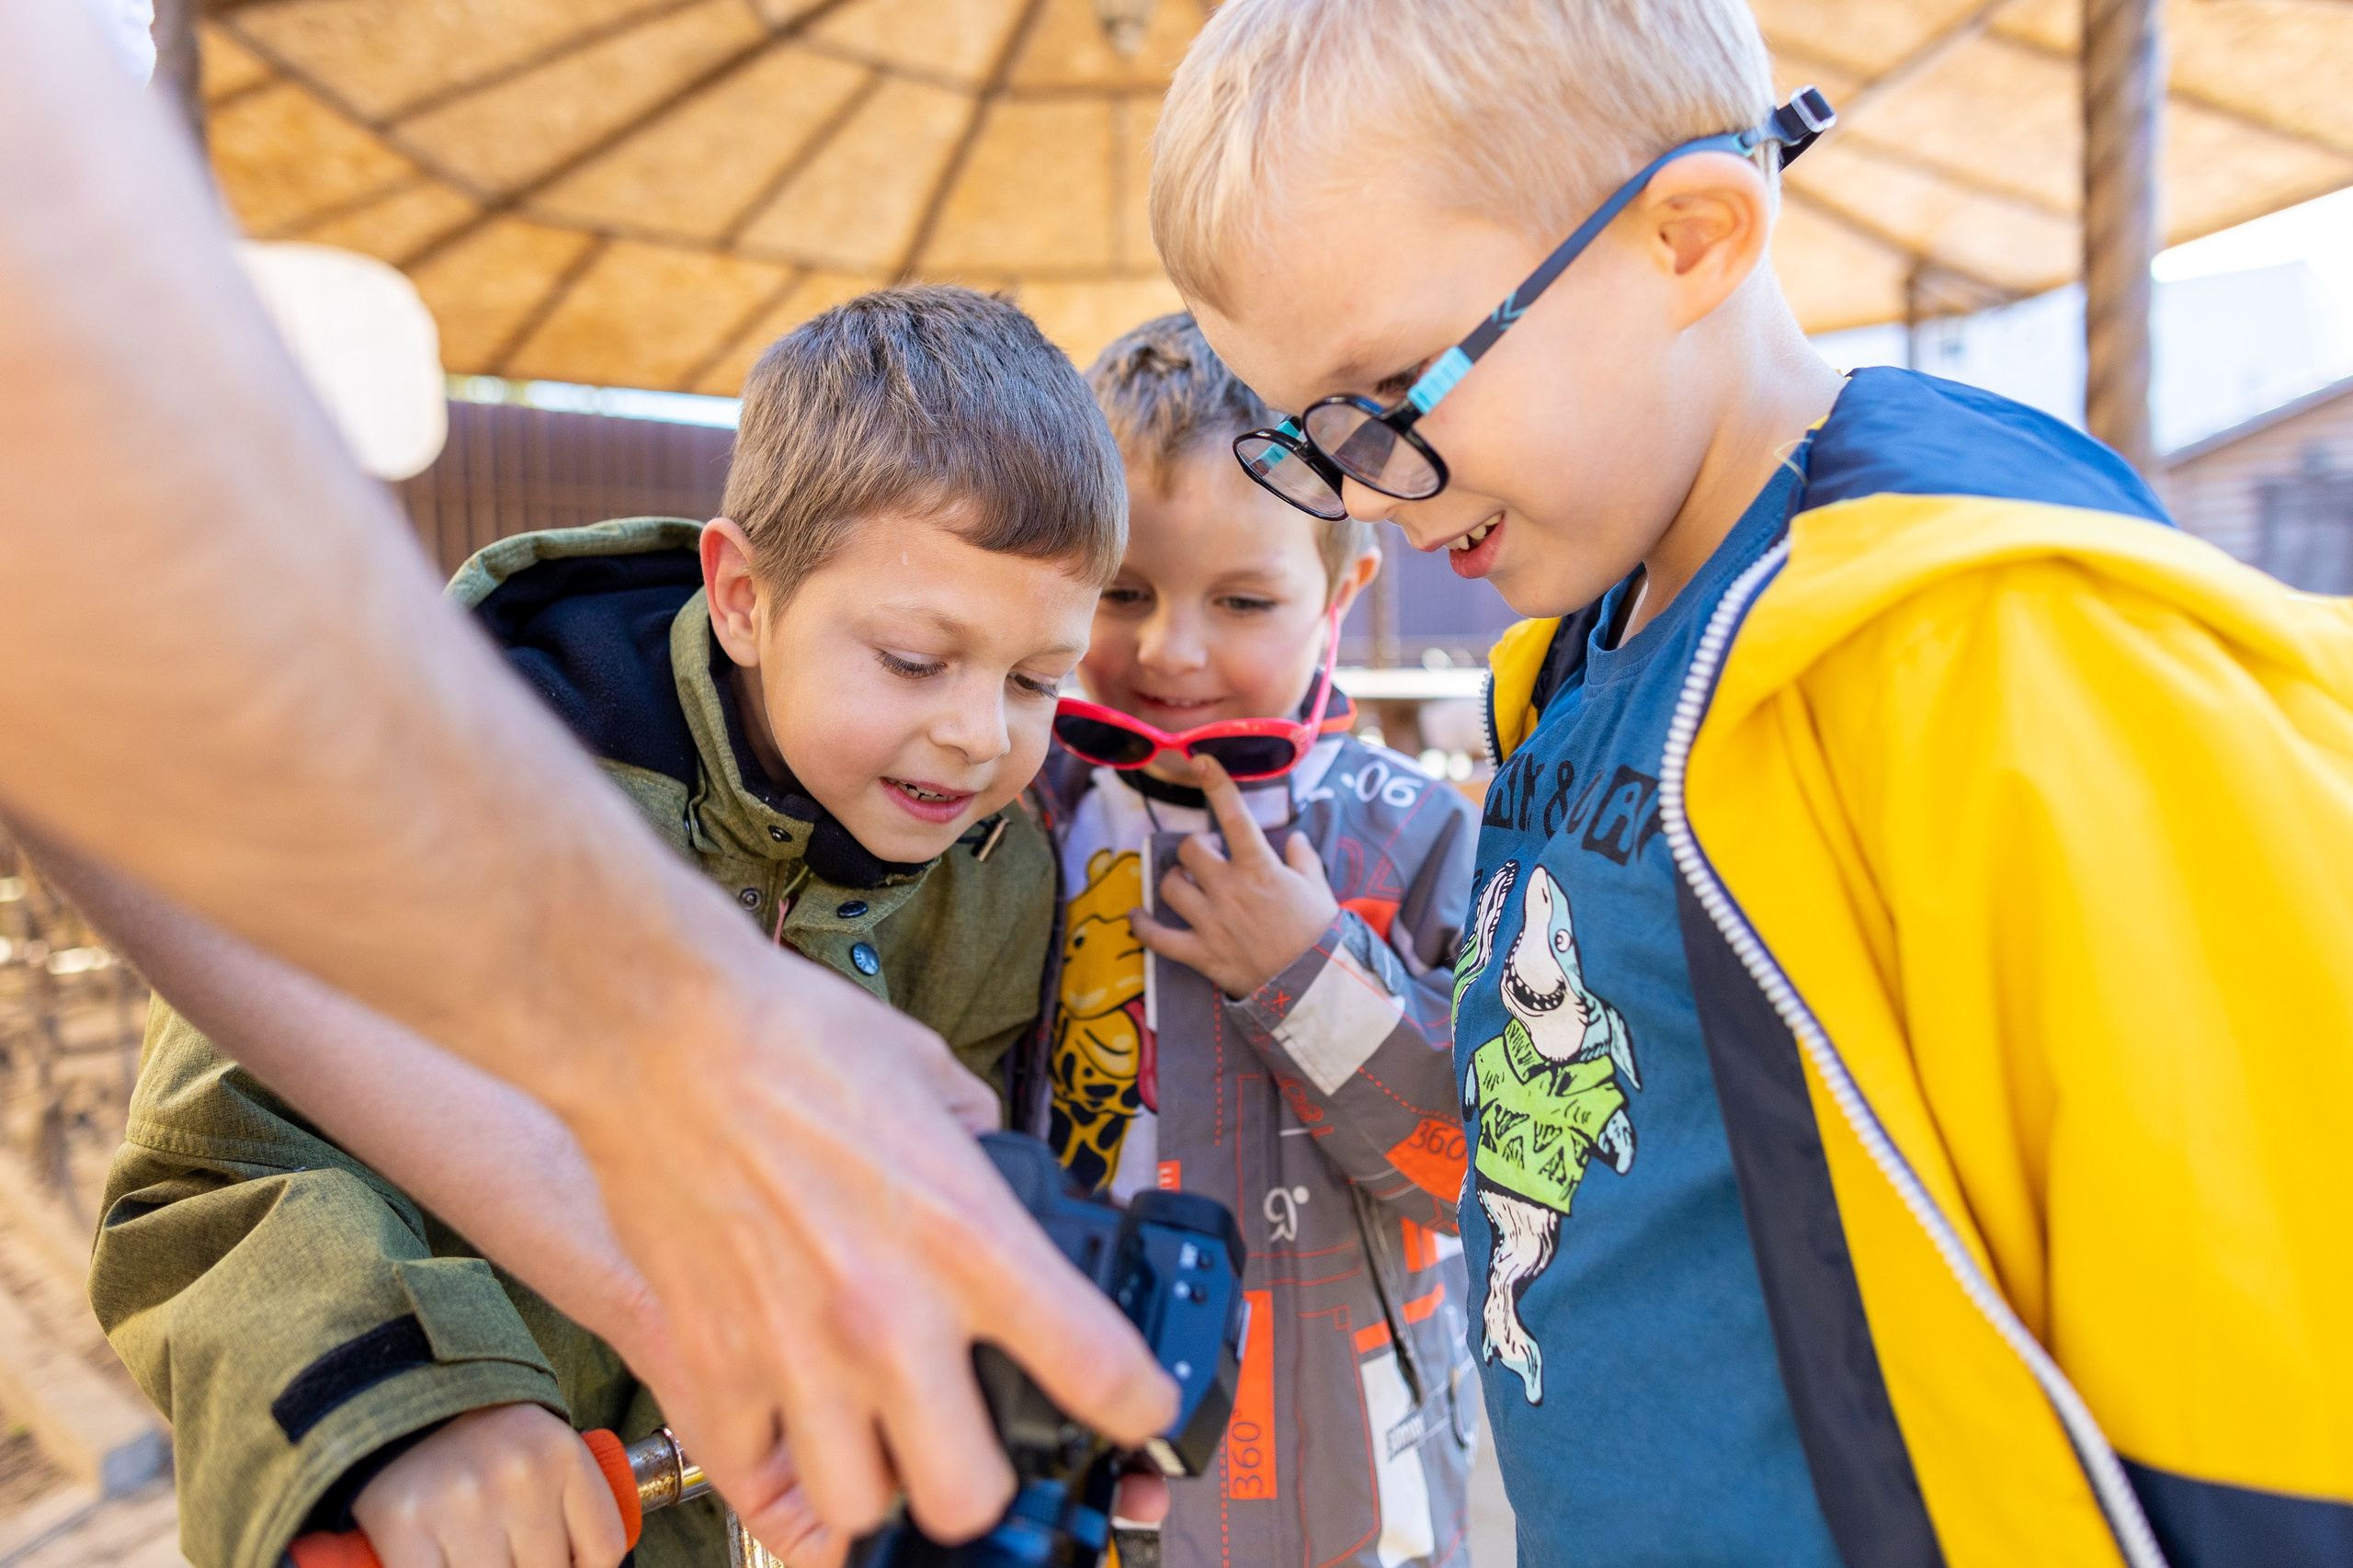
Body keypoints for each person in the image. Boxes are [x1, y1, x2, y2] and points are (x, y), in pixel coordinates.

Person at [1145, 4, 2353, 1567]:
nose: (1366, 485)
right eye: (1311, 435)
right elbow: (1536, 1163)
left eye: (1389, 397)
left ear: (1694, 238)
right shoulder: (1584, 667)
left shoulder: (1982, 646)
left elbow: (2271, 1342)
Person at [0, 0, 1171, 1544]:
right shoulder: (473, 765)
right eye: (912, 660)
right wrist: (414, 1402)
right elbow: (218, 1168)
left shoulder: (999, 873)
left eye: (1035, 680)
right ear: (743, 594)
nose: (978, 733)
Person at [1039, 315, 1478, 1568]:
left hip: (1356, 1483)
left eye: (1241, 600)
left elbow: (1486, 1167)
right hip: (1092, 1465)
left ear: (1342, 589)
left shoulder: (1416, 841)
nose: (1171, 649)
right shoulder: (1026, 823)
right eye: (1122, 593)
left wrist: (1308, 974)